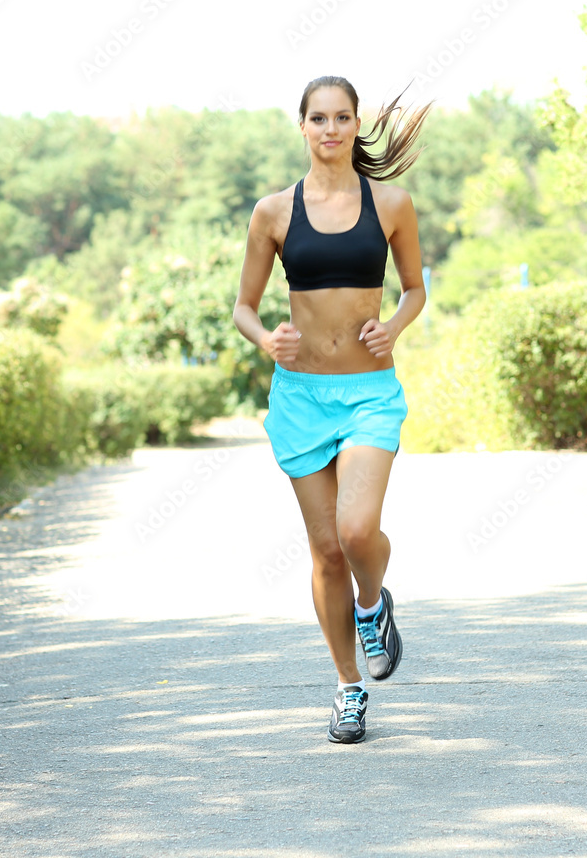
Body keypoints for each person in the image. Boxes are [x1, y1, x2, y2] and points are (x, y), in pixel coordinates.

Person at [233, 75, 431, 744]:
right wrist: (267, 338)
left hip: (370, 393)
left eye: (341, 117)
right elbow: (243, 307)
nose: (329, 128)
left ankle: (373, 605)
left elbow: (413, 291)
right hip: (301, 398)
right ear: (302, 127)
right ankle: (348, 689)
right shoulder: (273, 213)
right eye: (317, 118)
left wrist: (393, 328)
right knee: (323, 553)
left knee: (355, 531)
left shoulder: (392, 204)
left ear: (354, 124)